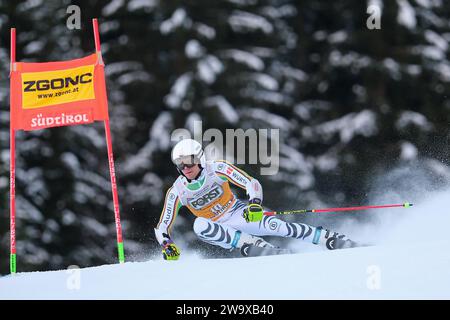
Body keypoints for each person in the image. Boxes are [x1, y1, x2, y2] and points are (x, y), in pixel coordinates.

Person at [154, 138, 356, 260]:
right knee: (199, 225)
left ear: (199, 158)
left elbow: (251, 183)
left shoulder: (217, 169)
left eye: (188, 161)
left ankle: (327, 238)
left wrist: (254, 204)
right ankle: (252, 244)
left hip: (237, 214)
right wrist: (167, 245)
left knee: (278, 226)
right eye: (180, 164)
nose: (186, 167)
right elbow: (163, 226)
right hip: (217, 230)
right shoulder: (177, 191)